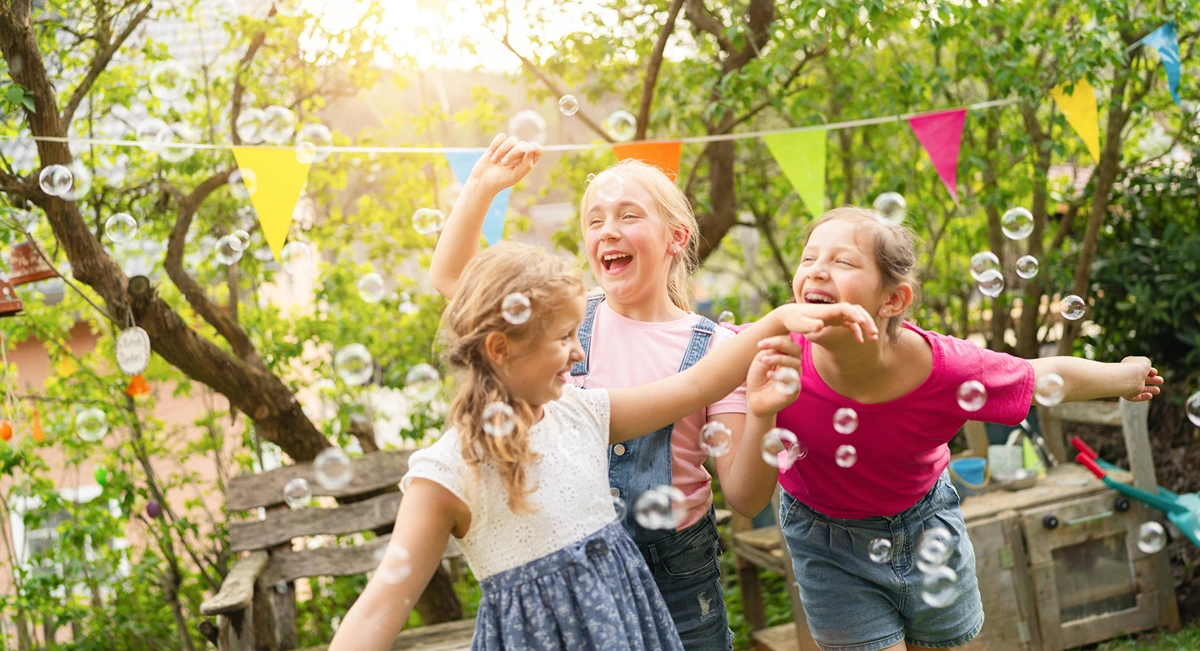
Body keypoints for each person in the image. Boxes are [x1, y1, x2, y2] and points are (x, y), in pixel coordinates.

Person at [329, 241, 878, 651]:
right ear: (501, 348)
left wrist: (779, 321)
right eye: (564, 338)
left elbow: (695, 385)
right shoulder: (447, 474)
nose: (577, 353)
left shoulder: (579, 412)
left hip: (633, 631)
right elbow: (381, 608)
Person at [738, 206, 1164, 651]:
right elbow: (695, 367)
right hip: (825, 540)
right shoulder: (770, 356)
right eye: (809, 259)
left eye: (842, 261)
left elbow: (1042, 376)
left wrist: (1125, 376)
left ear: (893, 300)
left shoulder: (945, 369)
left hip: (925, 523)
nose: (817, 272)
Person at [429, 134, 774, 649]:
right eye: (595, 220)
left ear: (676, 237)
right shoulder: (562, 320)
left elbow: (746, 496)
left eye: (629, 215)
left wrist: (765, 415)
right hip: (572, 565)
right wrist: (482, 187)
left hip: (677, 578)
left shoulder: (720, 349)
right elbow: (454, 277)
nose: (608, 230)